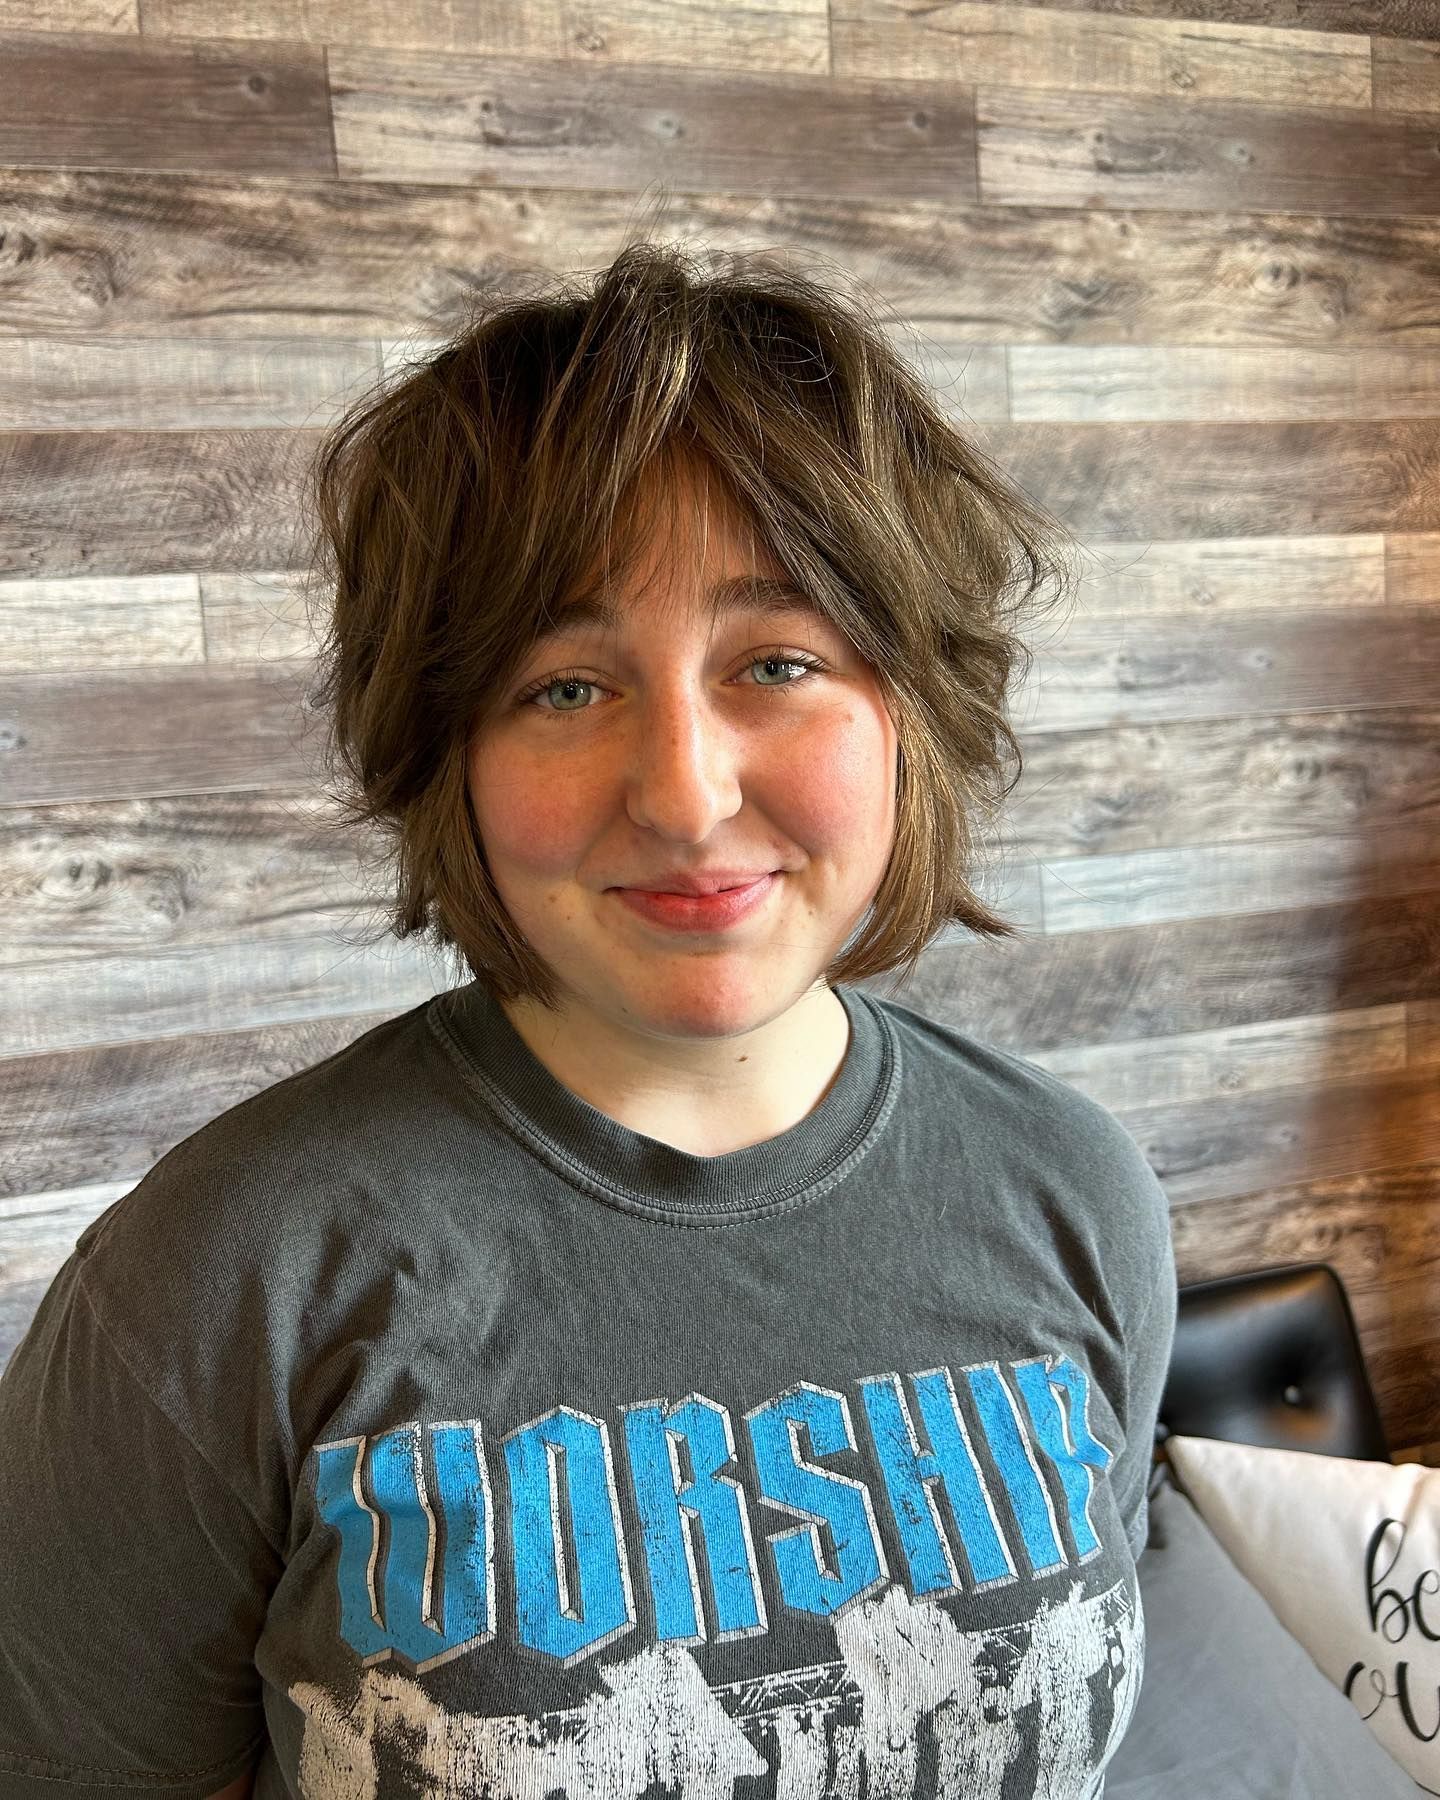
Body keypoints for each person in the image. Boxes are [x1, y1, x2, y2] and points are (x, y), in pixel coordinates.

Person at [0, 238, 1177, 1800]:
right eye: (565, 684)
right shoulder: (218, 1277)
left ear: (912, 710)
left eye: (777, 659)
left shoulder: (1077, 1193)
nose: (686, 793)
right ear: (451, 750)